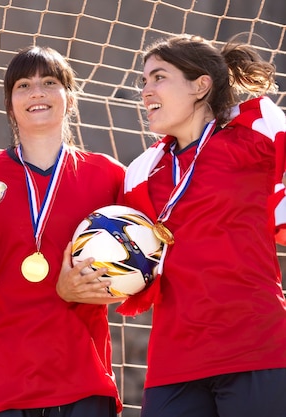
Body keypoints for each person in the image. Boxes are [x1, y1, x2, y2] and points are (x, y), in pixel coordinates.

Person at [119, 34, 286, 417]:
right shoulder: (141, 175)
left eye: (158, 77)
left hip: (256, 347)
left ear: (200, 85)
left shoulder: (254, 139)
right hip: (173, 360)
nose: (146, 91)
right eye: (143, 81)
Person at [0, 45, 125, 417]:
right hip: (2, 379)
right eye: (23, 85)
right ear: (9, 103)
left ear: (70, 95)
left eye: (49, 82)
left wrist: (85, 289)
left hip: (82, 376)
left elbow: (133, 273)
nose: (37, 93)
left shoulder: (108, 175)